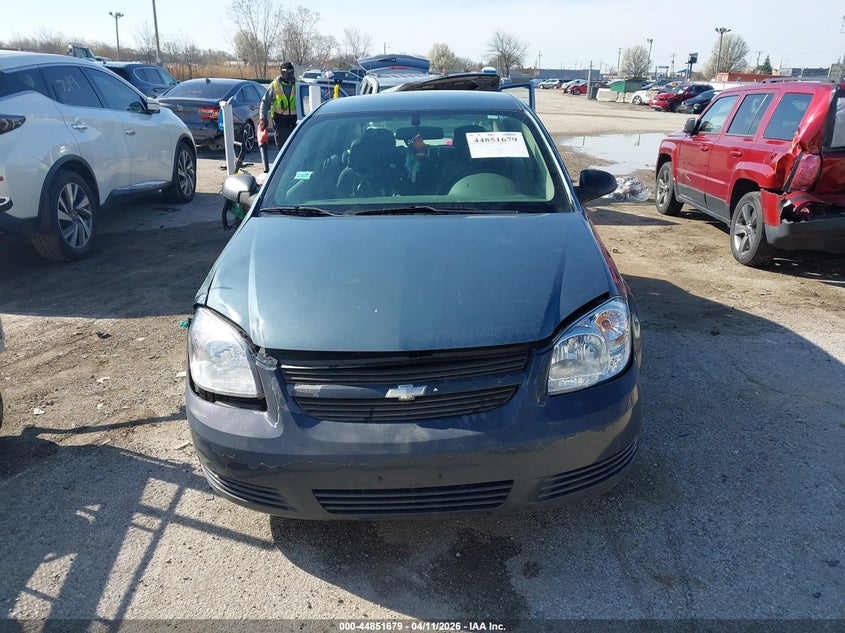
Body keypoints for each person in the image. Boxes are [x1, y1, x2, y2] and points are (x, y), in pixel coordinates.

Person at [260, 61, 297, 150]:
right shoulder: (275, 85)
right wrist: (263, 119)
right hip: (280, 121)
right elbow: (265, 103)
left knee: (295, 148)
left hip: (295, 121)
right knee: (282, 149)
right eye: (289, 73)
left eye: (292, 73)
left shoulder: (297, 84)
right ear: (283, 73)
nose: (291, 76)